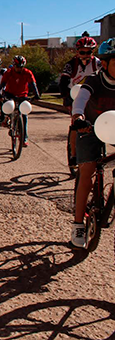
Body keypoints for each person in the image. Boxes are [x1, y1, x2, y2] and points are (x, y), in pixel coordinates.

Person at [69, 37, 115, 248]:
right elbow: (80, 99)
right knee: (87, 171)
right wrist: (78, 117)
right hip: (90, 128)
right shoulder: (94, 80)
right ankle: (78, 223)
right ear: (104, 63)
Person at [59, 36, 101, 168]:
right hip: (74, 95)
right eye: (82, 52)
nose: (85, 55)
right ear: (77, 52)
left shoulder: (98, 63)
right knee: (75, 125)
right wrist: (65, 96)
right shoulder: (71, 65)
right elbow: (63, 82)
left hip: (93, 96)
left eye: (88, 52)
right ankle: (73, 155)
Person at [0, 55, 40, 147]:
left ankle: (24, 137)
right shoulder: (8, 73)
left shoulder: (27, 73)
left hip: (22, 95)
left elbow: (33, 84)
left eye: (21, 67)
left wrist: (36, 95)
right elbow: (2, 84)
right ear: (14, 66)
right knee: (8, 106)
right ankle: (7, 118)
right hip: (10, 93)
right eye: (17, 67)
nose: (19, 69)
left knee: (24, 116)